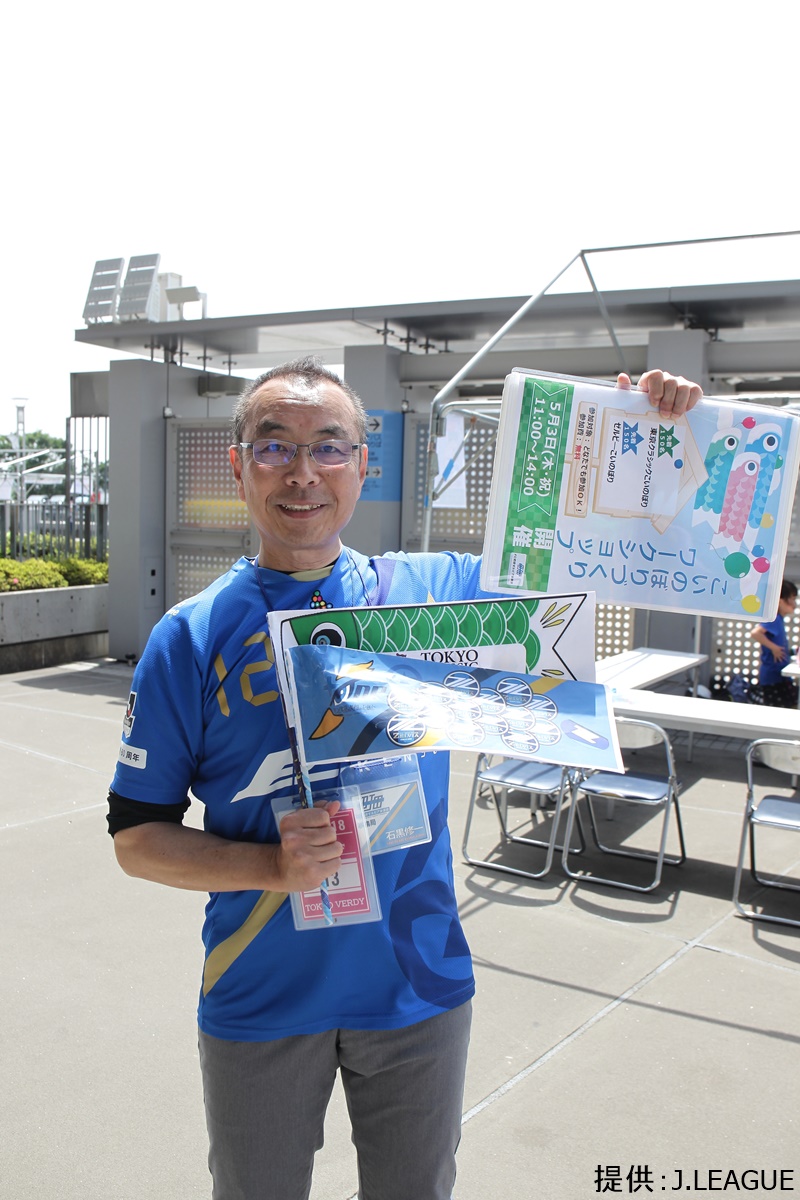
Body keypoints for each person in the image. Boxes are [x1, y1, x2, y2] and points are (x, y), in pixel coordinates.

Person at [107, 357, 702, 1200]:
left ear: (363, 465)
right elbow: (137, 839)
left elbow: (572, 565)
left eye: (329, 446)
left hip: (421, 985)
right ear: (238, 466)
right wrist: (270, 866)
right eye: (275, 446)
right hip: (260, 992)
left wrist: (631, 429)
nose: (303, 472)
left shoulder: (431, 594)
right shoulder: (191, 635)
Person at [749, 578, 798, 708]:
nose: (794, 604)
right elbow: (755, 633)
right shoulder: (774, 618)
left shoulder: (779, 619)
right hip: (773, 676)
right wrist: (774, 648)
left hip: (779, 674)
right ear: (780, 601)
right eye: (792, 599)